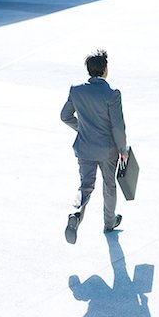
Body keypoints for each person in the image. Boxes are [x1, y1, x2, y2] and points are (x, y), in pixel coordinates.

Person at [60, 49, 128, 244]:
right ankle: (109, 222)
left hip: (85, 147)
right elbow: (117, 126)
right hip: (108, 150)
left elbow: (65, 116)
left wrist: (84, 129)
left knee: (86, 185)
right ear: (105, 70)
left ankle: (75, 214)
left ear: (89, 70)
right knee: (109, 185)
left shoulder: (76, 90)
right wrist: (123, 150)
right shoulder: (112, 94)